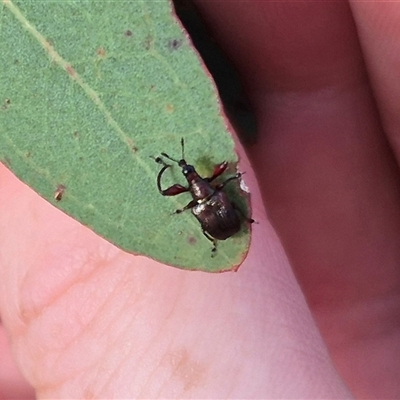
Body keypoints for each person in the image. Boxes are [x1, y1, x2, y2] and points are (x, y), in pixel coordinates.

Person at [1, 2, 399, 398]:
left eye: (191, 175)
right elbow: (198, 192)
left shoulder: (205, 196)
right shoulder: (212, 194)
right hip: (223, 224)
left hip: (220, 226)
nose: (191, 175)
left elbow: (188, 194)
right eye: (189, 176)